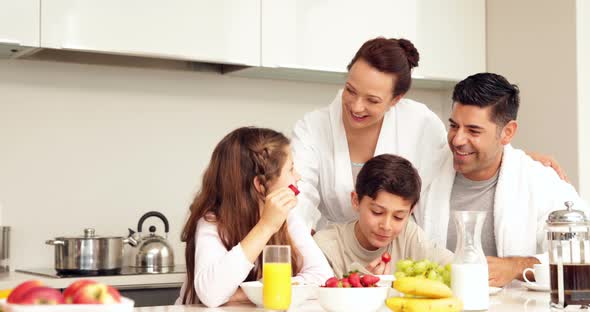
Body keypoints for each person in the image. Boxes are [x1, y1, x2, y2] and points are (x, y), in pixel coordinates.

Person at [291, 37, 565, 231]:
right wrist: (301, 247)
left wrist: (518, 158)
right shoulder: (313, 128)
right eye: (350, 90)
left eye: (372, 100)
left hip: (395, 258)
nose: (356, 106)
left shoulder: (417, 121)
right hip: (331, 255)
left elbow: (459, 153)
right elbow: (297, 199)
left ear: (396, 99)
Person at [414, 73, 588, 287]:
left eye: (473, 130)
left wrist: (516, 266)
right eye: (454, 126)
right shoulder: (424, 174)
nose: (458, 139)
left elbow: (582, 251)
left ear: (507, 132)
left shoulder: (541, 182)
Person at [176, 127, 333, 307]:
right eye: (291, 170)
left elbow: (323, 278)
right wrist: (265, 227)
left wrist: (247, 291)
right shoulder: (212, 222)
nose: (298, 177)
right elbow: (212, 295)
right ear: (260, 184)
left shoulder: (288, 217)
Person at [313, 154, 453, 278]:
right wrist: (361, 286)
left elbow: (456, 265)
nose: (386, 226)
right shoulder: (326, 246)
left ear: (410, 212)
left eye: (398, 217)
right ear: (356, 201)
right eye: (377, 212)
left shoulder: (410, 236)